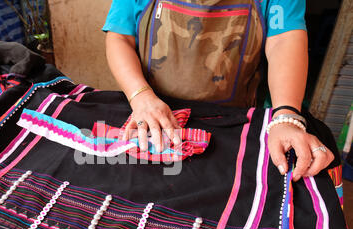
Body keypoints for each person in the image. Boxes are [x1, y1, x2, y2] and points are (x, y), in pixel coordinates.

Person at [102, 0, 334, 182]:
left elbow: (284, 40)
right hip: (151, 112)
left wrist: (285, 115)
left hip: (233, 122)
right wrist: (140, 96)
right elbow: (120, 36)